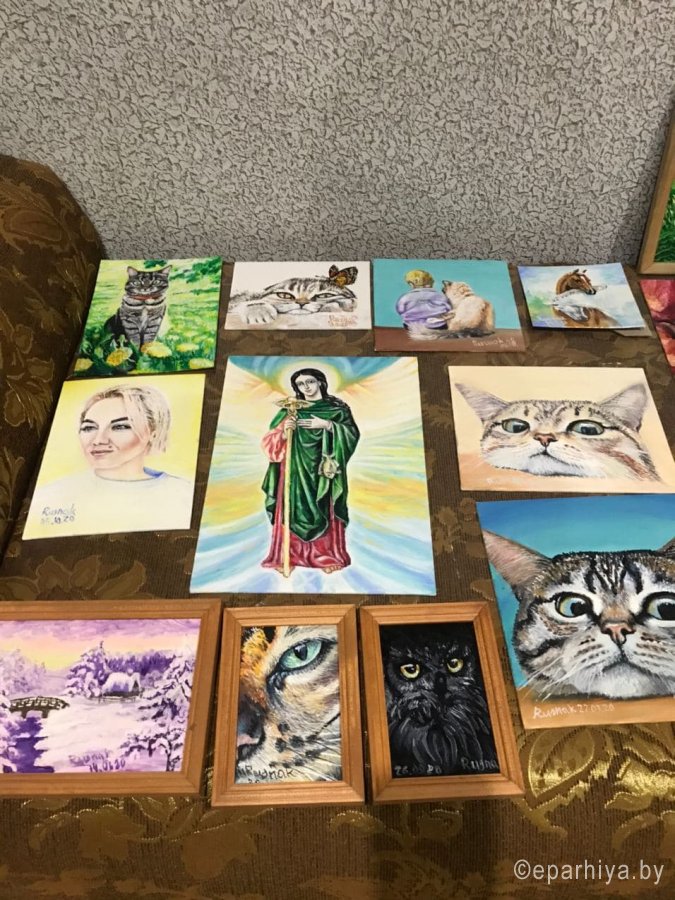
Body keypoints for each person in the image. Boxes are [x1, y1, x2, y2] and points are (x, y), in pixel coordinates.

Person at [25, 384, 193, 537]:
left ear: (153, 433)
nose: (98, 440)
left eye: (120, 427)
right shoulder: (51, 495)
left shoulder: (183, 494)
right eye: (89, 428)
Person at [260, 368, 360, 574]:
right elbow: (269, 443)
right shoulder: (289, 411)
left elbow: (351, 434)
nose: (306, 387)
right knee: (291, 508)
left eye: (310, 382)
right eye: (300, 384)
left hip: (324, 470)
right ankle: (288, 557)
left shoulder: (337, 410)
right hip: (294, 471)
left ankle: (327, 556)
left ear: (320, 382)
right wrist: (284, 432)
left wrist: (328, 425)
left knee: (325, 505)